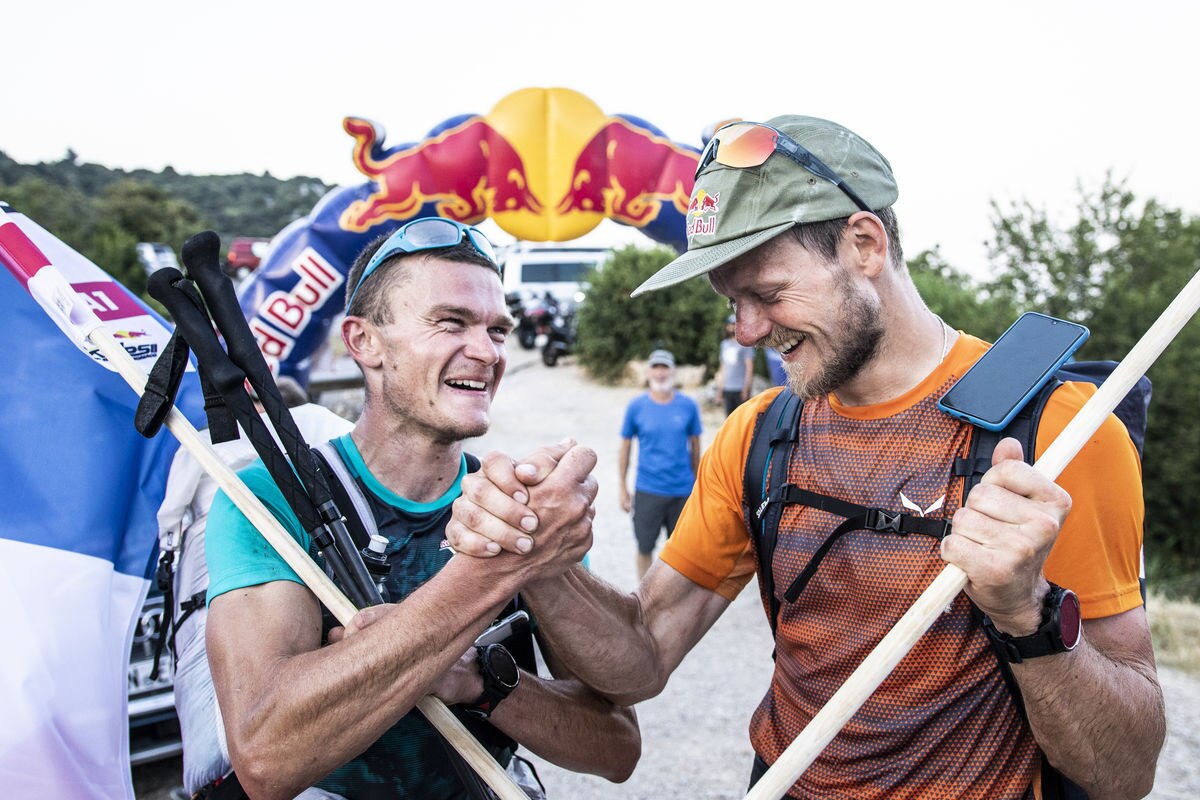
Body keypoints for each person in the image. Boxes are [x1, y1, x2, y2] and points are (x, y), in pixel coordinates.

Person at [446, 116, 1165, 799]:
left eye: (767, 294)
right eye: (732, 303)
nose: (748, 332)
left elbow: (1124, 771)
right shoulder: (759, 434)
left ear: (863, 244)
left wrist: (1026, 612)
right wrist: (538, 558)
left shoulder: (1059, 433)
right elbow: (643, 656)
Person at [203, 218, 639, 800]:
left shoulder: (512, 505)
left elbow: (615, 748)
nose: (486, 353)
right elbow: (266, 758)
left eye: (498, 329)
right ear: (364, 342)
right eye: (450, 322)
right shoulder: (272, 498)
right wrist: (493, 574)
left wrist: (478, 681)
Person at [157, 376, 353, 794]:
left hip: (212, 561)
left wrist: (169, 550)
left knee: (225, 693)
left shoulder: (205, 443)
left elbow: (170, 517)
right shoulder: (321, 422)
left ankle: (221, 776)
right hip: (317, 545)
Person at [618, 348, 702, 578]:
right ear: (648, 372)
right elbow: (625, 448)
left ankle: (674, 600)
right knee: (644, 548)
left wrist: (699, 486)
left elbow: (695, 448)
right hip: (648, 490)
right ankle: (643, 599)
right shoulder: (636, 407)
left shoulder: (688, 406)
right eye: (656, 367)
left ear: (673, 371)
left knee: (681, 553)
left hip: (682, 491)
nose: (660, 372)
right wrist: (623, 489)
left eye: (665, 367)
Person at [714, 313, 755, 414]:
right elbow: (722, 368)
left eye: (734, 323)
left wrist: (746, 388)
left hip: (740, 388)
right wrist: (719, 390)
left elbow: (749, 368)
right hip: (728, 388)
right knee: (729, 420)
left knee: (742, 420)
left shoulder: (745, 343)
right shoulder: (724, 344)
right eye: (730, 324)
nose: (732, 326)